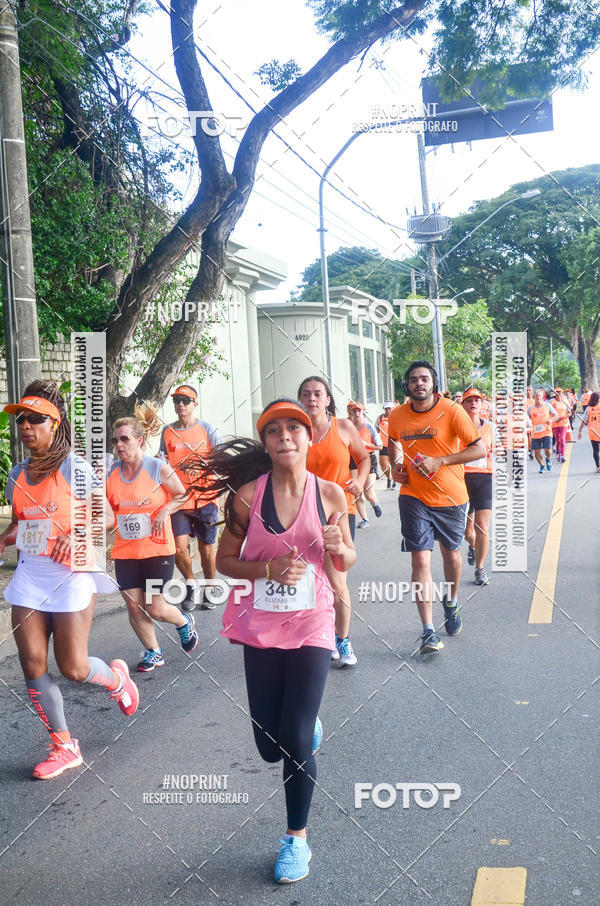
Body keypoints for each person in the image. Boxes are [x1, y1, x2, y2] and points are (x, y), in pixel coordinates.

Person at [209, 399, 355, 883]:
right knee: (270, 747)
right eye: (275, 431)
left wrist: (340, 547)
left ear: (310, 437)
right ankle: (303, 729)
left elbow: (346, 559)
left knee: (292, 740)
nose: (285, 436)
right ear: (266, 442)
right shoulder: (247, 497)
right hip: (261, 623)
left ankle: (297, 839)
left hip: (312, 621)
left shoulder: (330, 494)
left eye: (295, 428)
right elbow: (224, 562)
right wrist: (267, 568)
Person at [0, 381, 139, 780]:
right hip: (31, 577)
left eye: (35, 419)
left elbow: (106, 517)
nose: (26, 426)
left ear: (55, 424)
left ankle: (117, 680)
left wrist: (77, 535)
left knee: (74, 667)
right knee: (32, 662)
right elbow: (21, 522)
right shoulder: (16, 474)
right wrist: (5, 538)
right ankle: (64, 745)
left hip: (72, 575)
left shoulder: (74, 468)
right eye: (21, 420)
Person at [387, 361, 486, 655]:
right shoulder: (397, 415)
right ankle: (428, 630)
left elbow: (479, 448)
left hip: (451, 497)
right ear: (407, 385)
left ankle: (451, 601)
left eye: (424, 379)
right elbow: (392, 441)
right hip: (413, 496)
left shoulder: (452, 411)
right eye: (413, 379)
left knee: (451, 555)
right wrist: (395, 466)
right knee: (420, 559)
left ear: (434, 384)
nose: (419, 383)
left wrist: (440, 461)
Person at [107, 403, 199, 672]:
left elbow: (183, 494)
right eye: (116, 440)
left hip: (157, 550)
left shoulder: (157, 468)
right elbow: (107, 511)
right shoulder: (110, 473)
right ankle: (153, 651)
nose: (119, 445)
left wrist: (165, 510)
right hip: (126, 551)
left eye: (124, 439)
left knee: (155, 608)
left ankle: (183, 621)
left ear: (139, 440)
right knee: (134, 607)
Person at [298, 376, 368, 668]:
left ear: (327, 399)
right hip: (302, 513)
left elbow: (363, 459)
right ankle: (319, 635)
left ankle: (342, 638)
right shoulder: (295, 430)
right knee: (310, 580)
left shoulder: (343, 427)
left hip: (338, 512)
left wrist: (359, 482)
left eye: (317, 394)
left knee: (337, 580)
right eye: (306, 394)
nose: (312, 399)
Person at [159, 385, 222, 612]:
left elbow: (222, 459)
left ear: (195, 404)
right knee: (178, 548)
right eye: (176, 400)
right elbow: (162, 461)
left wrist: (204, 467)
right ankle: (191, 584)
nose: (180, 405)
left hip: (205, 499)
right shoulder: (167, 431)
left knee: (206, 550)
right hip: (178, 499)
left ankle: (210, 588)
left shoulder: (207, 429)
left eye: (185, 400)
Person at [460, 389, 494, 586]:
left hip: (484, 478)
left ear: (482, 404)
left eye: (476, 400)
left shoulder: (490, 427)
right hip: (461, 479)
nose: (473, 403)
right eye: (469, 400)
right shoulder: (456, 427)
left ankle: (480, 569)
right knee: (467, 532)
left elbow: (499, 452)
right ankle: (473, 546)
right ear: (463, 405)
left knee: (482, 526)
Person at [346, 401, 383, 526]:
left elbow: (380, 446)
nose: (356, 412)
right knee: (356, 492)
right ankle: (365, 519)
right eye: (354, 410)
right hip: (353, 460)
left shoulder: (369, 427)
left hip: (369, 458)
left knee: (368, 492)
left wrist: (365, 444)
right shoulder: (348, 427)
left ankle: (375, 503)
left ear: (363, 412)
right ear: (351, 412)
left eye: (359, 410)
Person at [527, 390, 558, 473]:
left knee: (548, 450)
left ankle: (548, 459)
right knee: (536, 452)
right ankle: (542, 466)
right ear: (534, 397)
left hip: (546, 432)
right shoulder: (530, 408)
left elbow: (556, 415)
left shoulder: (547, 405)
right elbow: (526, 418)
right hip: (535, 434)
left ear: (542, 396)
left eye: (540, 395)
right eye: (536, 395)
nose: (538, 397)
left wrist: (551, 420)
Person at [577, 391, 600, 471]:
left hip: (593, 432)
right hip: (596, 431)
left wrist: (579, 431)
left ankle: (598, 466)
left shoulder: (588, 408)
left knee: (596, 450)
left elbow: (584, 421)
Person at [376, 402, 397, 490]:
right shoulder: (380, 418)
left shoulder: (396, 417)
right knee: (384, 466)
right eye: (386, 408)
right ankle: (389, 477)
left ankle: (394, 482)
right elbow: (376, 430)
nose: (388, 410)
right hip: (383, 445)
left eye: (389, 408)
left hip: (394, 445)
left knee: (394, 465)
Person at [551, 388, 571, 463]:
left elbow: (569, 413)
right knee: (558, 439)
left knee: (562, 439)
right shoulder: (552, 402)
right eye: (557, 392)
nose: (558, 393)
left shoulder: (565, 401)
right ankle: (558, 453)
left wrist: (561, 418)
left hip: (563, 423)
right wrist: (554, 419)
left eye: (560, 392)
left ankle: (562, 455)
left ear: (562, 393)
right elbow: (549, 412)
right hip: (555, 424)